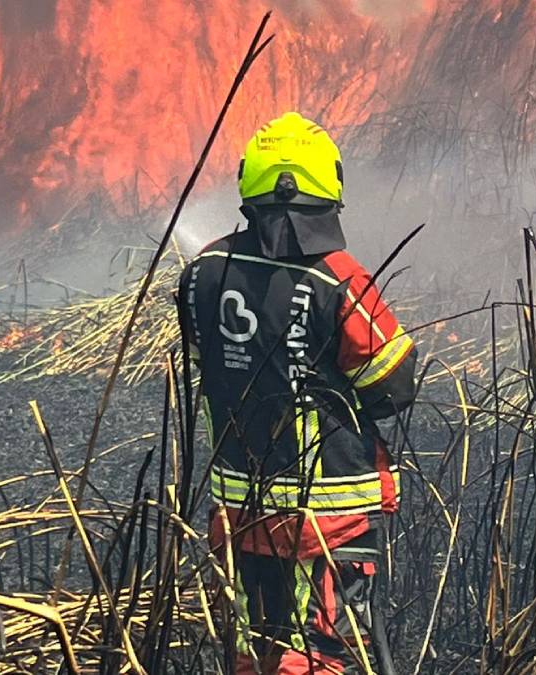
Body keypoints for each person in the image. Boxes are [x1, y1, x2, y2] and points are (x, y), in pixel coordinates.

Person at [177, 112, 417, 674]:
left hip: (237, 507)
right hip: (326, 514)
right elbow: (393, 383)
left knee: (251, 646)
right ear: (329, 186)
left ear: (249, 183)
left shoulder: (203, 271)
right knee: (315, 655)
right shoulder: (339, 279)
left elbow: (205, 362)